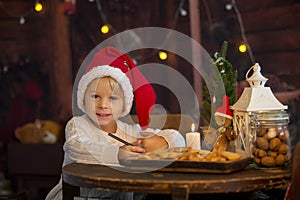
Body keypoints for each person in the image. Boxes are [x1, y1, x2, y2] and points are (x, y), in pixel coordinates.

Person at [46, 46, 185, 200]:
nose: (103, 105)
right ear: (83, 98)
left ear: (125, 103)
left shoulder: (130, 131)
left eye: (112, 98)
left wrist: (163, 142)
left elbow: (177, 139)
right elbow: (78, 148)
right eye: (95, 96)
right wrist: (118, 154)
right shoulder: (78, 126)